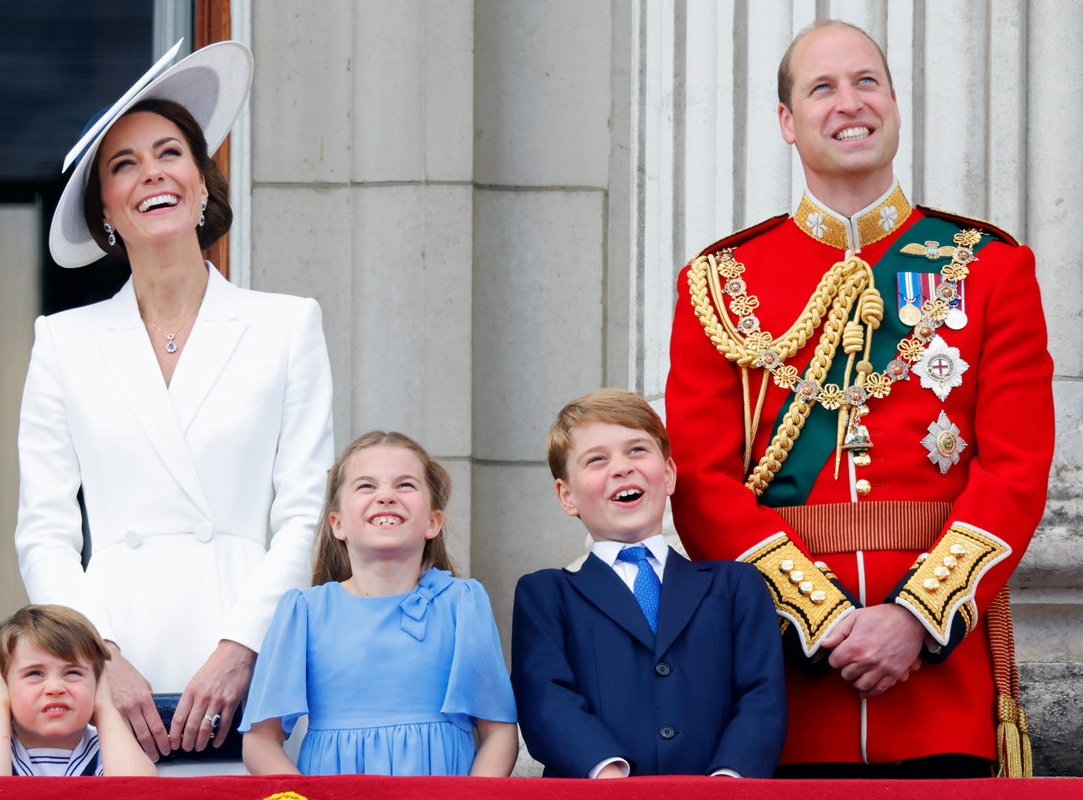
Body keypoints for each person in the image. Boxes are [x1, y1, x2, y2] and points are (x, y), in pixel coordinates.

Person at [666, 19, 1053, 778]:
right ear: (787, 122)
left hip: (941, 690)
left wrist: (915, 616)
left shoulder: (989, 269)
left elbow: (1016, 471)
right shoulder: (721, 283)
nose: (850, 102)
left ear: (896, 106)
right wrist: (823, 621)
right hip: (782, 696)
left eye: (866, 81)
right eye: (823, 87)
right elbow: (702, 483)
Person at [16, 40, 334, 771]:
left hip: (253, 660)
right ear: (106, 212)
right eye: (123, 165)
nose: (151, 173)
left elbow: (305, 511)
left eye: (169, 154)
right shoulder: (63, 341)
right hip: (111, 657)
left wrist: (243, 647)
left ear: (200, 184)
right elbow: (44, 530)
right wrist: (95, 659)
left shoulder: (286, 324)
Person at [510, 389, 785, 779]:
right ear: (567, 495)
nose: (621, 468)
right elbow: (546, 699)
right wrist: (608, 776)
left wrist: (728, 781)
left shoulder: (735, 586)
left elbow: (762, 696)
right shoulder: (547, 595)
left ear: (668, 474)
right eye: (596, 459)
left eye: (637, 450)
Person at [239, 431, 518, 776]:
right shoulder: (304, 612)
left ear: (433, 521)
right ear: (338, 524)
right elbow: (261, 740)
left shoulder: (463, 604)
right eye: (367, 486)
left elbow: (499, 731)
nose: (386, 495)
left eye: (405, 485)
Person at [0, 605, 156, 776]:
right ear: (4, 686)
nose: (55, 688)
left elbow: (139, 791)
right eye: (34, 674)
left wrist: (105, 708)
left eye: (72, 673)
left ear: (99, 682)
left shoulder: (109, 742)